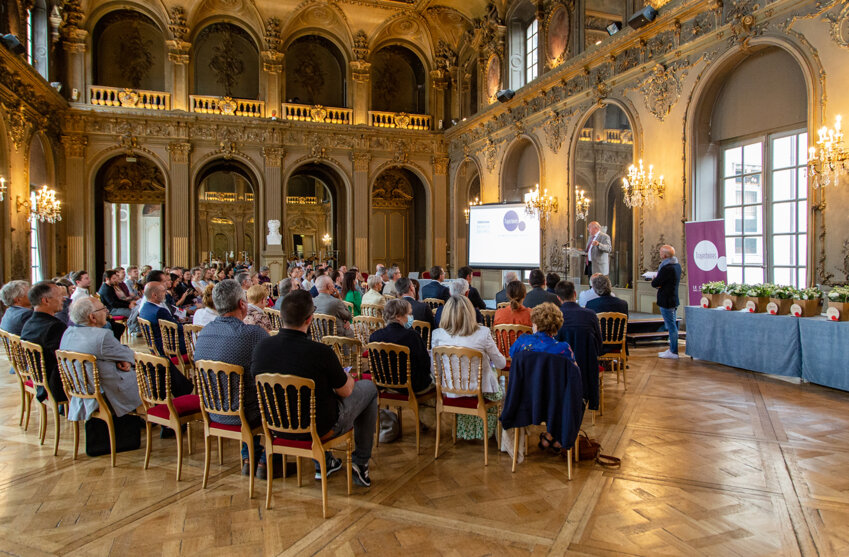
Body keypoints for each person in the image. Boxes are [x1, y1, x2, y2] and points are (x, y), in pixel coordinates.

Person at [252, 289, 378, 487]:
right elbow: (345, 391)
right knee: (369, 388)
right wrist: (347, 377)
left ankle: (326, 462)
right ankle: (361, 462)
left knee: (313, 399)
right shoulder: (320, 352)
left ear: (280, 316)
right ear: (309, 319)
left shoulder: (261, 348)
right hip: (320, 428)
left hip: (275, 425)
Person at [194, 280, 270, 478]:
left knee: (243, 389)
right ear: (242, 304)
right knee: (277, 394)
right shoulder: (253, 334)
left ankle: (249, 457)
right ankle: (267, 459)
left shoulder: (204, 333)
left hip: (213, 411)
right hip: (246, 414)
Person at [432, 295, 505, 440]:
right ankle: (490, 433)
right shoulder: (483, 333)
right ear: (470, 312)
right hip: (480, 391)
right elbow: (501, 364)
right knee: (501, 388)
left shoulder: (437, 335)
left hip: (450, 390)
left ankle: (467, 431)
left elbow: (435, 370)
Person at [510, 302, 580, 453]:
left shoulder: (522, 342)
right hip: (555, 403)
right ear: (556, 326)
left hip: (525, 400)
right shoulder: (563, 349)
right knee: (576, 398)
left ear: (534, 323)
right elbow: (575, 374)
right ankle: (558, 438)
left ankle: (549, 436)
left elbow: (512, 357)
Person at [60, 296, 142, 420]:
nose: (106, 311)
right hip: (109, 393)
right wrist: (123, 359)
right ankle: (158, 418)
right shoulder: (102, 336)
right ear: (92, 317)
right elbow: (129, 355)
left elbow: (108, 353)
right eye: (103, 309)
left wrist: (119, 359)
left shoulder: (68, 333)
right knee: (157, 371)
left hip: (81, 391)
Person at [368, 298, 433, 393]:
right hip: (412, 386)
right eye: (409, 314)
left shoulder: (374, 336)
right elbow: (425, 364)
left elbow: (373, 365)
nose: (411, 317)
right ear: (398, 316)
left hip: (384, 383)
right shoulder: (412, 336)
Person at [20, 281, 68, 403]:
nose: (63, 299)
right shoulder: (54, 326)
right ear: (46, 300)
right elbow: (65, 359)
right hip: (55, 386)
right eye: (59, 296)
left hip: (39, 380)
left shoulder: (29, 323)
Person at [139, 282, 186, 358]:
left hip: (153, 345)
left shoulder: (144, 308)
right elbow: (177, 328)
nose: (166, 294)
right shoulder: (160, 311)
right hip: (167, 347)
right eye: (163, 291)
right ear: (154, 295)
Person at [652, 244, 682, 359]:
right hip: (673, 299)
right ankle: (672, 349)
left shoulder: (666, 268)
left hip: (666, 300)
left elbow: (656, 283)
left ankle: (673, 351)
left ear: (664, 255)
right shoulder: (677, 265)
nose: (659, 254)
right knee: (672, 326)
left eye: (660, 252)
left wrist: (654, 280)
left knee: (671, 327)